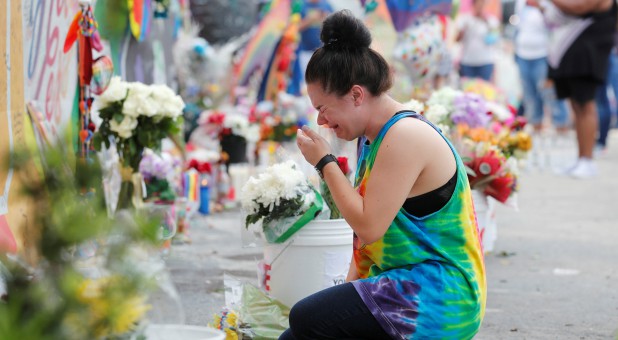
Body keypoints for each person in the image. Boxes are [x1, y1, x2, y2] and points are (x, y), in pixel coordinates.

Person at [282, 10, 486, 340]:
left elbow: (369, 226)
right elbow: (363, 244)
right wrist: (344, 297)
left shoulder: (404, 135)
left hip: (437, 296)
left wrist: (325, 162)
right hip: (401, 285)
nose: (320, 121)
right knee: (296, 335)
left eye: (322, 108)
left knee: (306, 317)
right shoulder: (373, 137)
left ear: (356, 94)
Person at [531, 0, 616, 178]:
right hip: (576, 53)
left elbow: (578, 7)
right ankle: (581, 158)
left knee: (586, 105)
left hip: (590, 53)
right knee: (577, 106)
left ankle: (588, 160)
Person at [514, 0, 570, 134]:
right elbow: (519, 26)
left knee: (550, 92)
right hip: (523, 54)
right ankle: (536, 125)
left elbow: (555, 24)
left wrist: (540, 7)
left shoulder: (548, 4)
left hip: (543, 54)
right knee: (530, 94)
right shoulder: (520, 3)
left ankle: (561, 126)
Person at [456, 0, 500, 82]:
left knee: (484, 89)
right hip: (467, 62)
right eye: (479, 3)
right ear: (473, 4)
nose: (481, 6)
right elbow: (457, 40)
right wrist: (463, 30)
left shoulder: (491, 20)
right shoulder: (465, 18)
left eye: (483, 3)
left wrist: (486, 22)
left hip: (485, 62)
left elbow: (492, 40)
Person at [595, 37, 618, 154]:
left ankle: (601, 143)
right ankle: (601, 143)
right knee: (601, 102)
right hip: (605, 53)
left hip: (608, 53)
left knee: (602, 102)